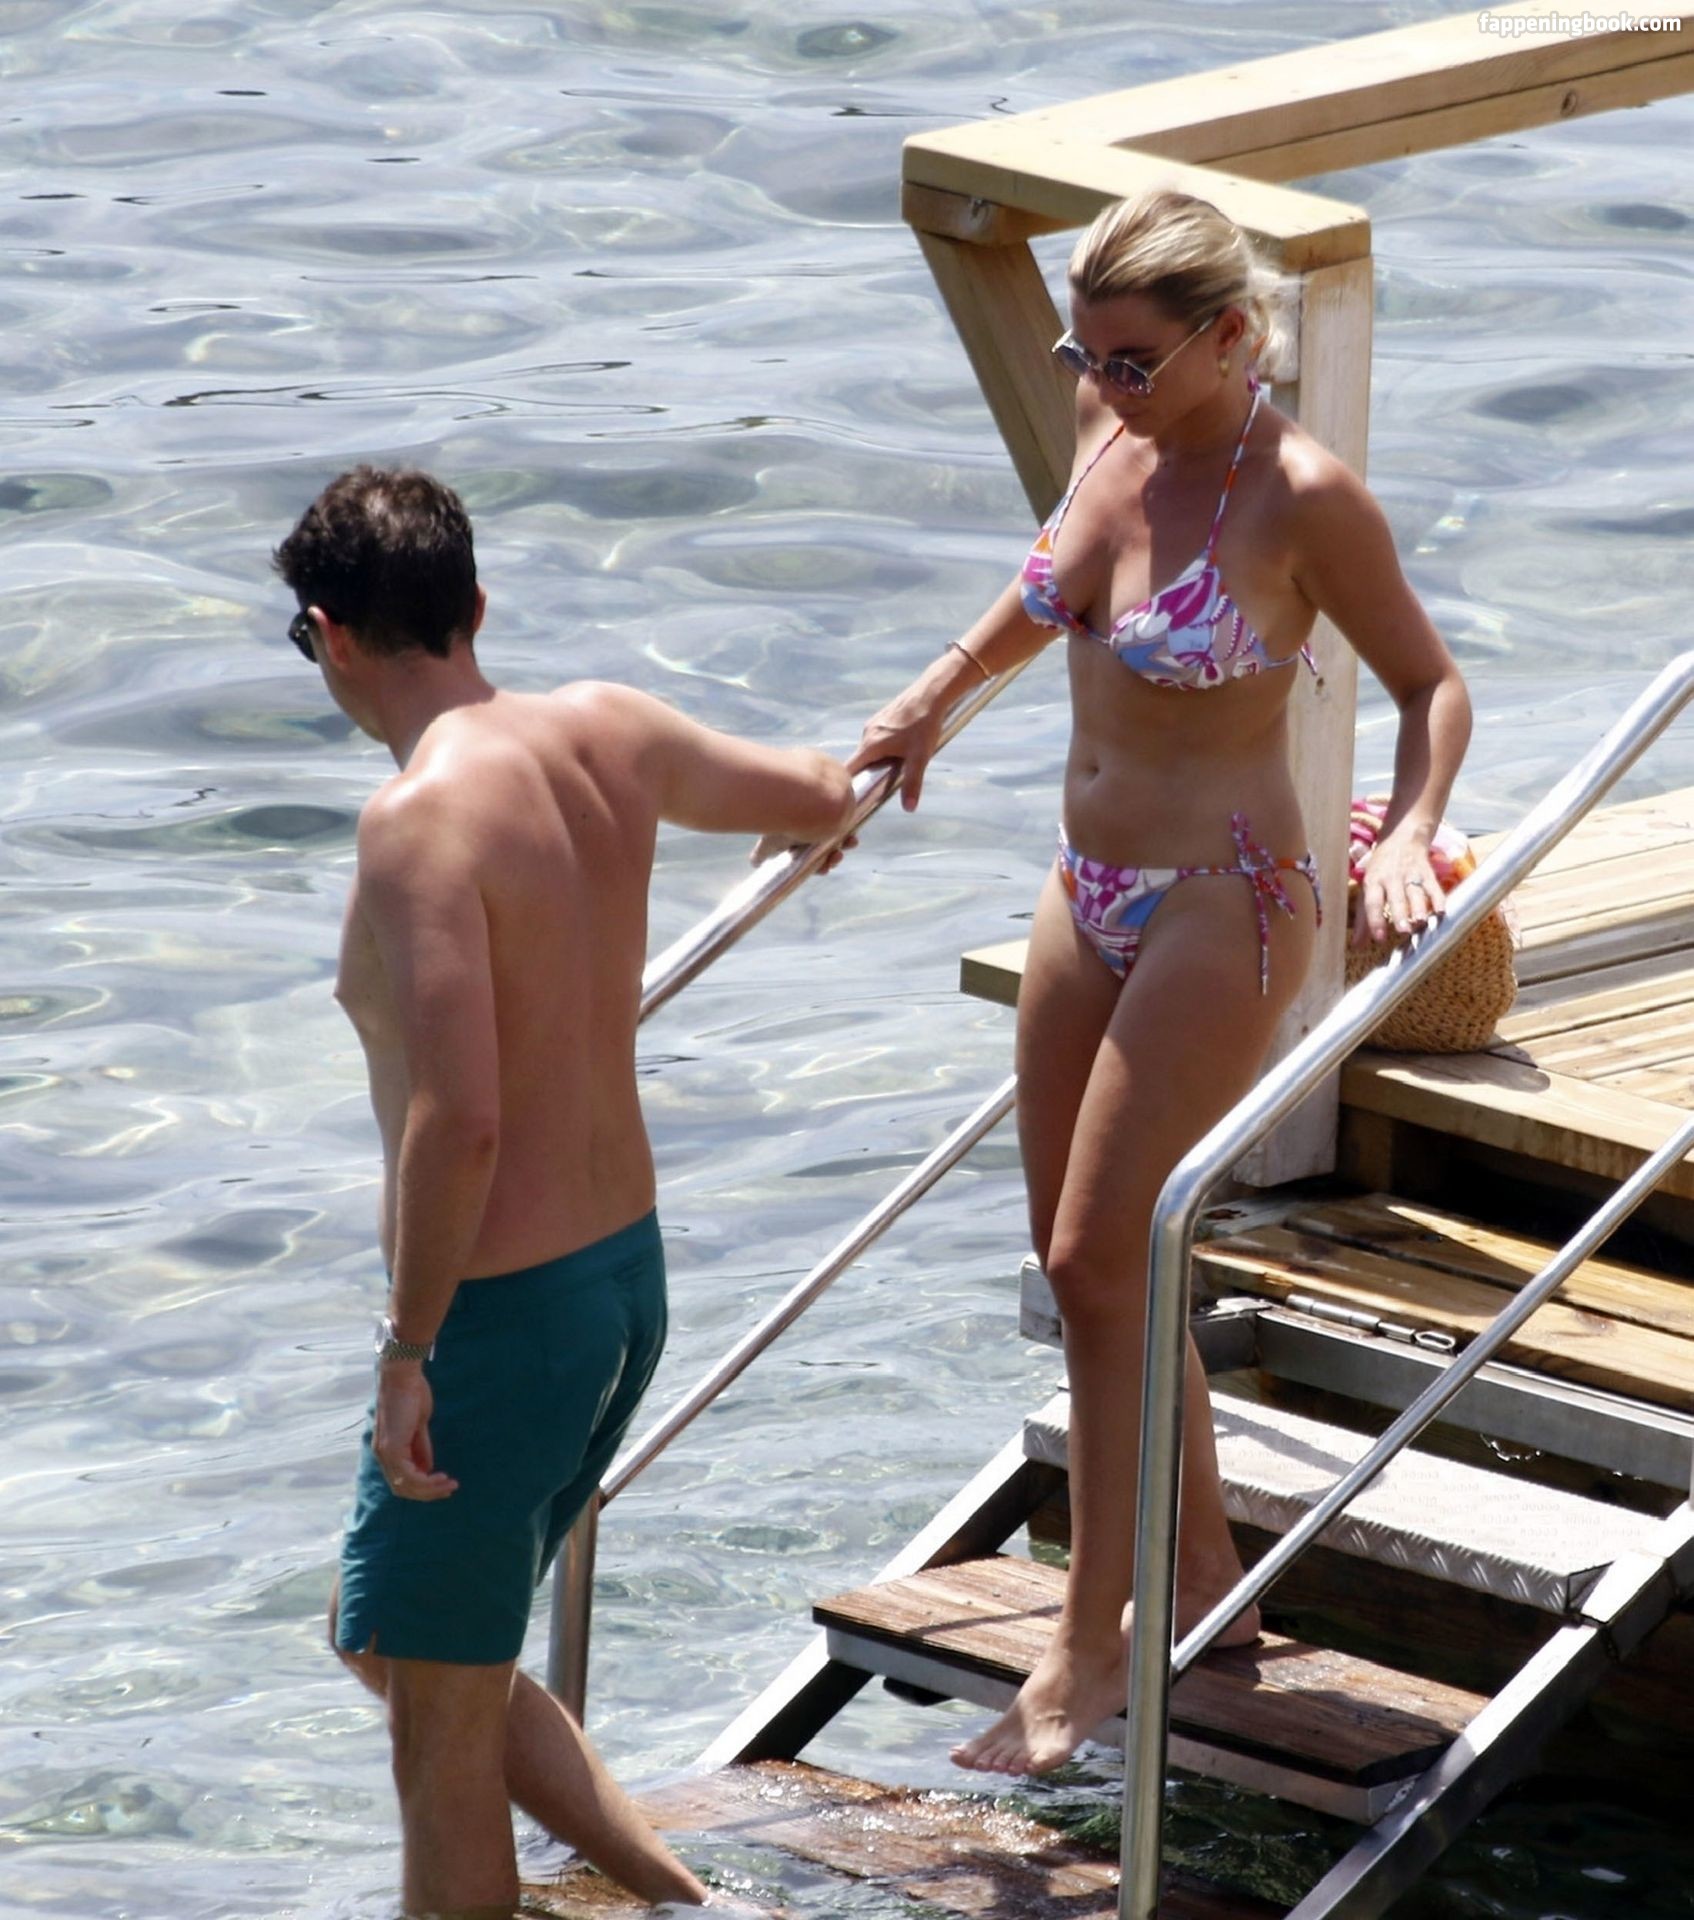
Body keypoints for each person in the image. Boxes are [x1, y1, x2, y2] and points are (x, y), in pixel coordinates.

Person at [847, 189, 1471, 1776]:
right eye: (1086, 355)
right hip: (1086, 884)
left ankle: (1087, 1645)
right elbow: (1041, 592)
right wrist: (928, 698)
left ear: (1229, 336)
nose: (1103, 384)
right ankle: (1202, 1576)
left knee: (1094, 1254)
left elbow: (1428, 683)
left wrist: (1408, 835)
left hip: (1225, 897)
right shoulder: (1103, 426)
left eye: (1132, 358)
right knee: (1089, 1271)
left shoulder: (1302, 497)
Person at [274, 466, 854, 1916]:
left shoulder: (416, 821)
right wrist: (847, 784)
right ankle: (686, 1901)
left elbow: (459, 1120)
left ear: (329, 634)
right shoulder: (609, 730)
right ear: (474, 606)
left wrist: (406, 1351)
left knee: (438, 1749)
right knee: (386, 1637)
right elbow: (817, 792)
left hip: (499, 1315)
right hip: (620, 1283)